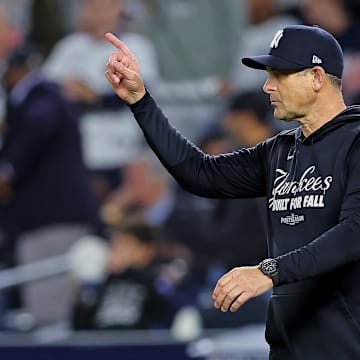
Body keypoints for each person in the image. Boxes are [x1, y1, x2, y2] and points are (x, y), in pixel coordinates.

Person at [105, 24, 360, 359]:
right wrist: (141, 102)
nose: (268, 86)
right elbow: (199, 173)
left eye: (279, 74)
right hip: (290, 344)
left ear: (316, 76)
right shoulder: (278, 151)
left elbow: (354, 232)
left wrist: (269, 271)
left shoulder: (355, 140)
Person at [0, 42, 102, 328]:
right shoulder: (44, 98)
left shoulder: (43, 97)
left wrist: (9, 169)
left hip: (53, 220)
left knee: (51, 316)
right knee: (48, 311)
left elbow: (38, 125)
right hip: (50, 220)